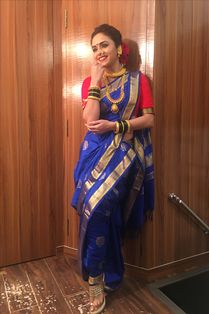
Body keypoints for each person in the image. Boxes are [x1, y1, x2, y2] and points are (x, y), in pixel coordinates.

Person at [71, 24, 155, 314]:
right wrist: (95, 79)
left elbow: (149, 120)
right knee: (103, 216)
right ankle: (109, 274)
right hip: (93, 156)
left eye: (104, 45)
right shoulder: (88, 82)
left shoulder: (138, 80)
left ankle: (95, 278)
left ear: (119, 48)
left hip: (125, 158)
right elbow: (90, 120)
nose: (100, 52)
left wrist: (118, 126)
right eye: (95, 48)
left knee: (99, 207)